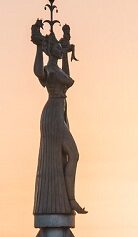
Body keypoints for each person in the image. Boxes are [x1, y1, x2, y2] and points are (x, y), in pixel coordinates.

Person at [31, 20, 86, 215]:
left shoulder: (58, 69)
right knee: (74, 154)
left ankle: (69, 199)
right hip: (52, 114)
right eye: (57, 46)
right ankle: (70, 200)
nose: (60, 48)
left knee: (67, 157)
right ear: (49, 49)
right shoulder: (48, 69)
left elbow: (67, 80)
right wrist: (38, 46)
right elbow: (38, 71)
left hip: (60, 112)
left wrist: (64, 54)